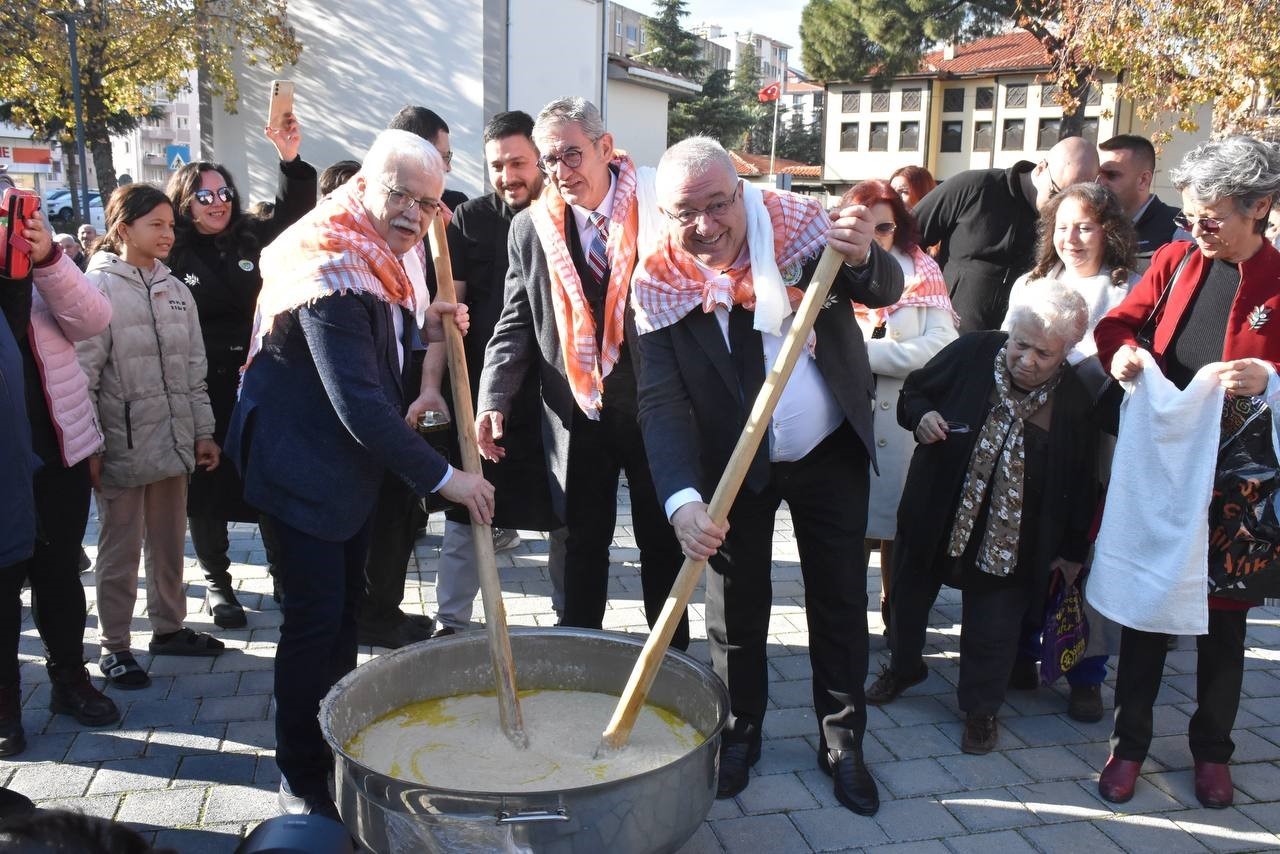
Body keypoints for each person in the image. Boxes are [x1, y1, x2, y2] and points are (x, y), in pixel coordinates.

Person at [222, 129, 493, 818]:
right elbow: (361, 405)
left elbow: (381, 340)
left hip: (339, 467)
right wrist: (448, 480)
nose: (414, 214)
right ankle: (301, 776)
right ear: (364, 184)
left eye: (428, 203)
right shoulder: (332, 260)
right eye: (401, 195)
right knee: (314, 624)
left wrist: (426, 323)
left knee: (342, 615)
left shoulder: (377, 253)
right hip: (300, 465)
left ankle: (332, 740)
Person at [634, 136, 905, 812]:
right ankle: (739, 731)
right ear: (664, 214)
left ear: (742, 192)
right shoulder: (658, 282)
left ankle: (842, 740)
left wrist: (864, 252)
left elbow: (884, 288)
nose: (705, 226)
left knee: (839, 600)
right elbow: (659, 402)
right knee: (735, 609)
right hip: (732, 466)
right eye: (685, 212)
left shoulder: (801, 232)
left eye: (717, 204)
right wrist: (682, 501)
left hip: (828, 451)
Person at [1092, 135, 1280, 809]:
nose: (1197, 228)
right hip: (1167, 466)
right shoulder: (1173, 261)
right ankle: (1128, 747)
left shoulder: (1277, 279)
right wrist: (1121, 355)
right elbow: (1117, 325)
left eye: (1213, 217)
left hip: (1239, 482)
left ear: (1259, 208)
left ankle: (1212, 753)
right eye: (1192, 214)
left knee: (1224, 626)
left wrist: (1270, 376)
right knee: (1148, 611)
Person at [476, 97, 688, 648]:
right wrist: (493, 397)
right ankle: (580, 652)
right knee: (581, 540)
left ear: (605, 147)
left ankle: (671, 657)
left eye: (572, 154)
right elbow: (516, 320)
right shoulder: (531, 227)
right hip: (575, 411)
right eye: (550, 159)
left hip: (653, 406)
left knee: (661, 536)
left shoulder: (658, 209)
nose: (561, 171)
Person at [867, 281, 1098, 755]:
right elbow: (915, 392)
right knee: (909, 599)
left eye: (1044, 354)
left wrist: (1072, 550)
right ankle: (905, 667)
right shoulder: (973, 351)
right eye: (1020, 345)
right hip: (936, 511)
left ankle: (980, 710)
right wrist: (922, 417)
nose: (1027, 360)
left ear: (1067, 351)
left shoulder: (1074, 400)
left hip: (1013, 536)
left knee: (994, 627)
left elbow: (1082, 481)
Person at [166, 117, 317, 629]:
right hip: (200, 384)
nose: (218, 203)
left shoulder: (252, 237)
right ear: (185, 202)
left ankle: (282, 575)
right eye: (205, 196)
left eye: (224, 192)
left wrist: (290, 160)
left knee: (267, 478)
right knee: (207, 488)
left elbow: (296, 217)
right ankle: (217, 583)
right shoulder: (172, 251)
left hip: (258, 379)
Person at [999, 181, 1139, 723]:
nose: (1072, 238)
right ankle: (1020, 650)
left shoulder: (1128, 287)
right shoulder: (1031, 283)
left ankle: (1087, 672)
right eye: (1062, 227)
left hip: (1097, 442)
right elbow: (1006, 350)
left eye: (1085, 226)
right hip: (1032, 434)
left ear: (1109, 231)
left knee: (1086, 554)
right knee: (1026, 537)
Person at [78, 184, 224, 690]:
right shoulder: (96, 289)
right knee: (119, 548)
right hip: (120, 444)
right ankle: (114, 645)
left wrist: (203, 431)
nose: (167, 234)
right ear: (124, 229)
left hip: (175, 441)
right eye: (155, 225)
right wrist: (91, 444)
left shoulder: (176, 289)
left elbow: (194, 370)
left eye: (170, 225)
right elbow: (82, 376)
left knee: (168, 541)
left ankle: (169, 628)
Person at [432, 110, 567, 636]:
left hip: (556, 395)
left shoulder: (566, 215)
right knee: (468, 506)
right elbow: (450, 308)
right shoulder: (470, 219)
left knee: (565, 512)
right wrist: (435, 384)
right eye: (496, 166)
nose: (507, 176)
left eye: (518, 163)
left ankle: (570, 621)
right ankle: (452, 624)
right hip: (484, 391)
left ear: (540, 161)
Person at [0, 179, 119, 756]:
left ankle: (69, 679)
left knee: (60, 573)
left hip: (56, 445)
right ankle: (4, 704)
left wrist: (46, 256)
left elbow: (94, 318)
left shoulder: (39, 265)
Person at [353, 106, 476, 649]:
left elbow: (414, 317)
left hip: (406, 383)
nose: (445, 169)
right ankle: (368, 612)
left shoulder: (435, 220)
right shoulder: (355, 241)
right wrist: (448, 478)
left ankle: (384, 607)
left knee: (403, 512)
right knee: (382, 507)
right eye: (441, 156)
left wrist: (429, 345)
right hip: (370, 397)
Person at [842, 179, 957, 636]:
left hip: (900, 421)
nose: (875, 237)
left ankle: (898, 618)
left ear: (901, 226)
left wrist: (863, 355)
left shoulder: (922, 270)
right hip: (844, 419)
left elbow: (941, 345)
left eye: (885, 227)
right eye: (865, 225)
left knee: (899, 530)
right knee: (848, 528)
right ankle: (849, 621)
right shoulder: (832, 266)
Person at [914, 136, 1099, 332]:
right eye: (1055, 194)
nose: (1059, 208)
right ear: (1040, 168)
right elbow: (905, 234)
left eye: (1069, 200)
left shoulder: (1070, 226)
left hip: (1014, 345)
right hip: (943, 336)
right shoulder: (976, 187)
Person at [1096, 134, 1186, 270]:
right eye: (1097, 174)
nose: (1099, 183)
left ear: (1143, 180)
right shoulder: (1091, 224)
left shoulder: (1179, 228)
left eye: (1111, 175)